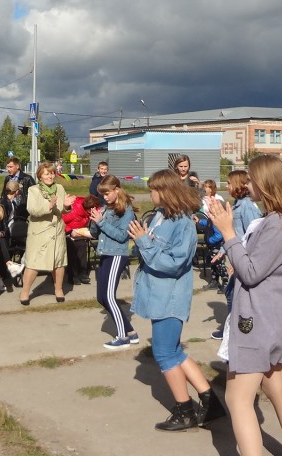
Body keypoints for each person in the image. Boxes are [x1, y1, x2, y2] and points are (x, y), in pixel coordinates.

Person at [207, 155, 282, 455]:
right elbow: (259, 264)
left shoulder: (277, 223)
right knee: (276, 388)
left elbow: (251, 272)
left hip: (259, 321)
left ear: (265, 183)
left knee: (238, 400)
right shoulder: (279, 219)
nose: (246, 184)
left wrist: (228, 233)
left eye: (250, 179)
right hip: (275, 320)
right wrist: (235, 252)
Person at [127, 169, 225, 431]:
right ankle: (211, 403)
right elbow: (152, 248)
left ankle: (185, 412)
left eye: (153, 190)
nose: (151, 194)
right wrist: (142, 239)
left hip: (169, 297)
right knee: (174, 351)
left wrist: (144, 243)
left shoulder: (183, 223)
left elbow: (174, 263)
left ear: (165, 192)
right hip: (159, 294)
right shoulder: (161, 216)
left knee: (164, 354)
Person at [210, 169, 262, 339]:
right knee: (231, 293)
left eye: (229, 183)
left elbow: (253, 236)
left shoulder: (247, 207)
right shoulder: (237, 205)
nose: (226, 186)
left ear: (239, 185)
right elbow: (234, 233)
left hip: (244, 260)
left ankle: (234, 331)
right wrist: (222, 251)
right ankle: (231, 329)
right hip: (236, 256)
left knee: (233, 294)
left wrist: (242, 260)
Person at [88, 175, 139, 349]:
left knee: (109, 297)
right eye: (102, 194)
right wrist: (94, 220)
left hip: (117, 255)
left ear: (117, 190)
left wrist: (101, 222)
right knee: (101, 297)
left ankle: (122, 337)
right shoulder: (106, 208)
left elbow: (122, 236)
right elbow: (95, 232)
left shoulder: (126, 210)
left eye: (107, 193)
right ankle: (131, 332)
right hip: (105, 253)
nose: (105, 197)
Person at [18, 162, 75, 305]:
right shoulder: (33, 190)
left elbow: (62, 210)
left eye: (52, 173)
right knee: (33, 263)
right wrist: (48, 206)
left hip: (57, 232)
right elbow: (32, 210)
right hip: (39, 233)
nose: (50, 176)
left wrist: (66, 206)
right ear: (40, 176)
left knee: (59, 262)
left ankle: (58, 289)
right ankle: (25, 292)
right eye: (46, 174)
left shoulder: (60, 188)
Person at [63, 194, 98, 285]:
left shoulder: (89, 211)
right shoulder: (73, 210)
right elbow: (61, 221)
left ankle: (83, 272)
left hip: (79, 234)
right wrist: (70, 231)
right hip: (66, 234)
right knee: (71, 247)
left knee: (82, 245)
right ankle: (72, 275)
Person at [3, 180, 29, 286]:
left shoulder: (11, 202)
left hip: (12, 233)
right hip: (8, 234)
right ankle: (19, 266)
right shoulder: (5, 203)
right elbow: (5, 221)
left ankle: (20, 266)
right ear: (17, 191)